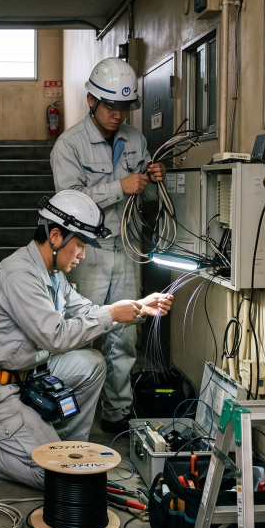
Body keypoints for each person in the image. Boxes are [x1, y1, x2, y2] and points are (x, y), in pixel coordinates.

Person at [0, 190, 173, 488]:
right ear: (56, 236)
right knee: (57, 479)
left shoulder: (53, 274)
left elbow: (86, 310)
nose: (83, 255)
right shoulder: (19, 275)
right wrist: (112, 314)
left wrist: (137, 307)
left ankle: (62, 448)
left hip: (24, 377)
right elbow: (55, 337)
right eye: (80, 245)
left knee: (92, 363)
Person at [50, 57, 168, 434]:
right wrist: (120, 186)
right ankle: (74, 413)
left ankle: (118, 413)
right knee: (86, 330)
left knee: (126, 333)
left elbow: (145, 182)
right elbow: (69, 201)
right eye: (109, 105)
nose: (117, 114)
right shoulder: (69, 146)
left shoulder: (135, 140)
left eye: (123, 107)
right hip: (89, 253)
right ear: (90, 101)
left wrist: (155, 175)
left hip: (127, 249)